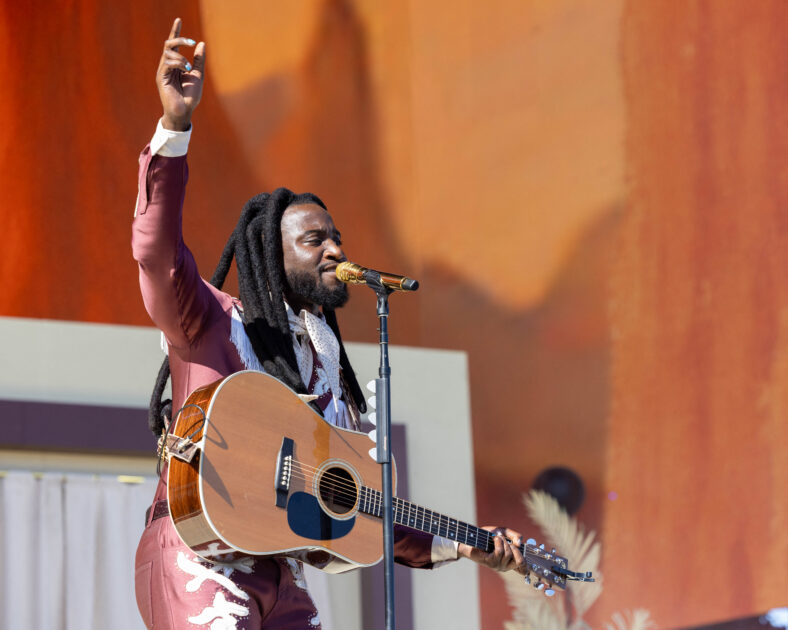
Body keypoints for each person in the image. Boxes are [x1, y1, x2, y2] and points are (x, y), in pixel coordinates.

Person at [132, 18, 528, 630]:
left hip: (279, 571)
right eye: (314, 239)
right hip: (198, 558)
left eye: (338, 238)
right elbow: (157, 254)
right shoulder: (210, 321)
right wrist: (175, 127)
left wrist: (465, 544)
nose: (335, 250)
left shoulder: (332, 376)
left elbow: (365, 511)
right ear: (270, 251)